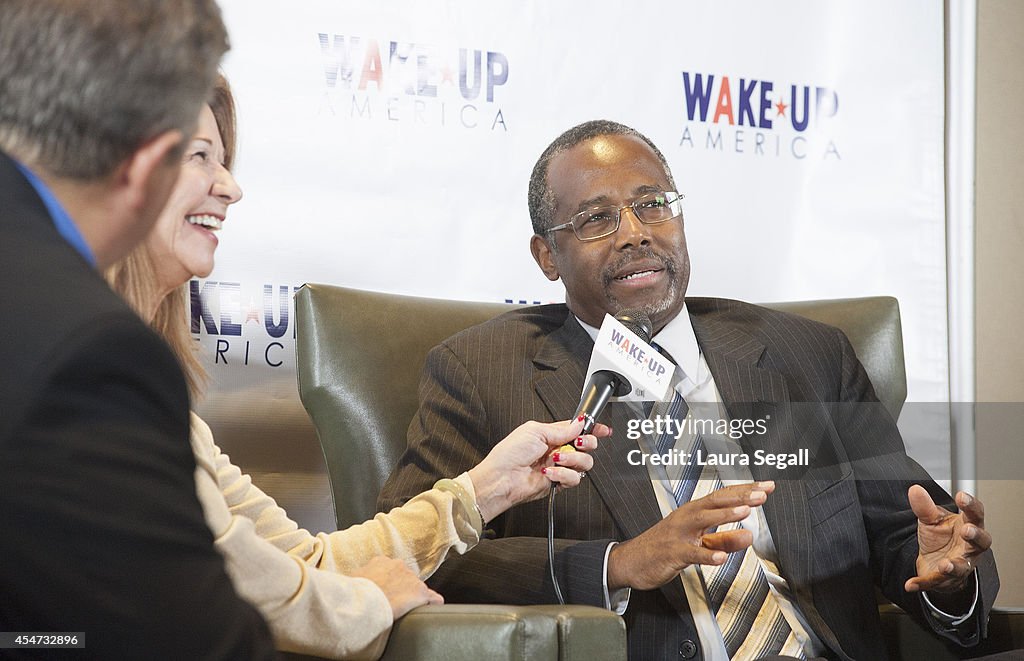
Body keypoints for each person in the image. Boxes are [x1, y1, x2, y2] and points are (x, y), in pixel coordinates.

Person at [379, 120, 999, 660]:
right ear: (547, 256)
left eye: (653, 204)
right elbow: (412, 556)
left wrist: (945, 575)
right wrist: (619, 563)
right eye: (596, 219)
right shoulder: (479, 373)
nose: (634, 232)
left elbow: (909, 534)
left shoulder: (809, 355)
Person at [107, 76, 603, 660]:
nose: (231, 187)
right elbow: (225, 583)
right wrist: (367, 604)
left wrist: (485, 488)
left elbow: (305, 564)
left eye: (224, 160)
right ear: (112, 171)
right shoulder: (93, 373)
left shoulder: (151, 395)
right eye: (199, 157)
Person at [0, 1, 277, 658]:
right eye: (198, 155)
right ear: (146, 165)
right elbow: (189, 641)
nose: (230, 189)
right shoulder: (92, 354)